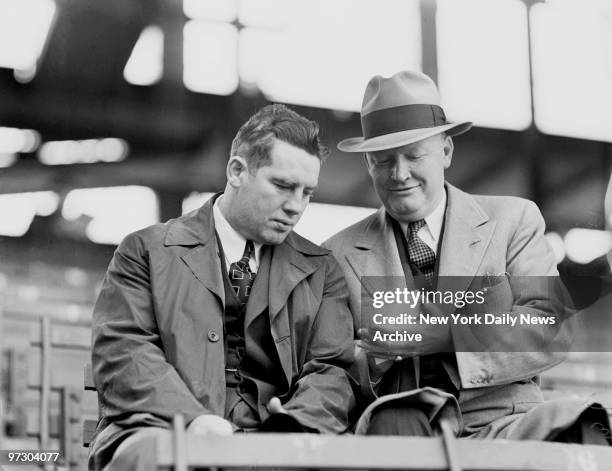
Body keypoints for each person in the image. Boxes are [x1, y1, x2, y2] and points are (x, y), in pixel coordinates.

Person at [324, 70, 610, 443]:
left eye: (413, 155)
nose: (399, 174)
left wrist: (447, 336)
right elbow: (332, 368)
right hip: (402, 430)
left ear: (445, 151)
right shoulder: (338, 253)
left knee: (583, 425)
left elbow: (551, 330)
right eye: (382, 160)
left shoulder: (513, 221)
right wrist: (373, 365)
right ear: (368, 165)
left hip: (506, 424)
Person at [89, 104, 356, 470]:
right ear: (237, 171)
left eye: (307, 192)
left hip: (276, 446)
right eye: (282, 186)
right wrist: (193, 420)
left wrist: (291, 426)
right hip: (162, 428)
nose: (296, 206)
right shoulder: (145, 251)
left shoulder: (323, 271)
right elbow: (124, 351)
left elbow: (333, 370)